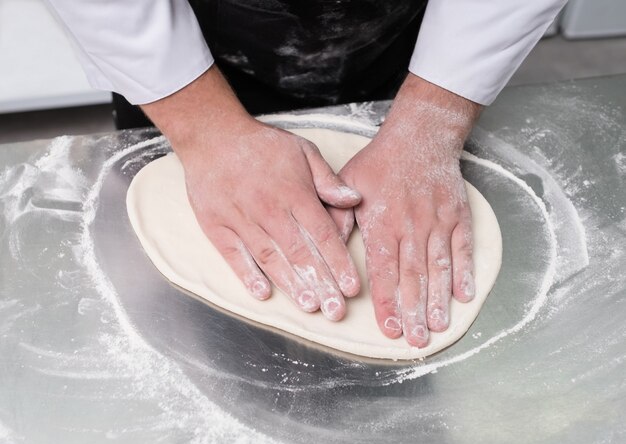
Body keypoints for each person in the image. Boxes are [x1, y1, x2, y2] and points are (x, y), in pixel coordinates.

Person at [48, 0, 566, 347]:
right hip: (178, 46)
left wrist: (431, 120)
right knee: (194, 339)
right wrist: (204, 128)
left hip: (404, 40)